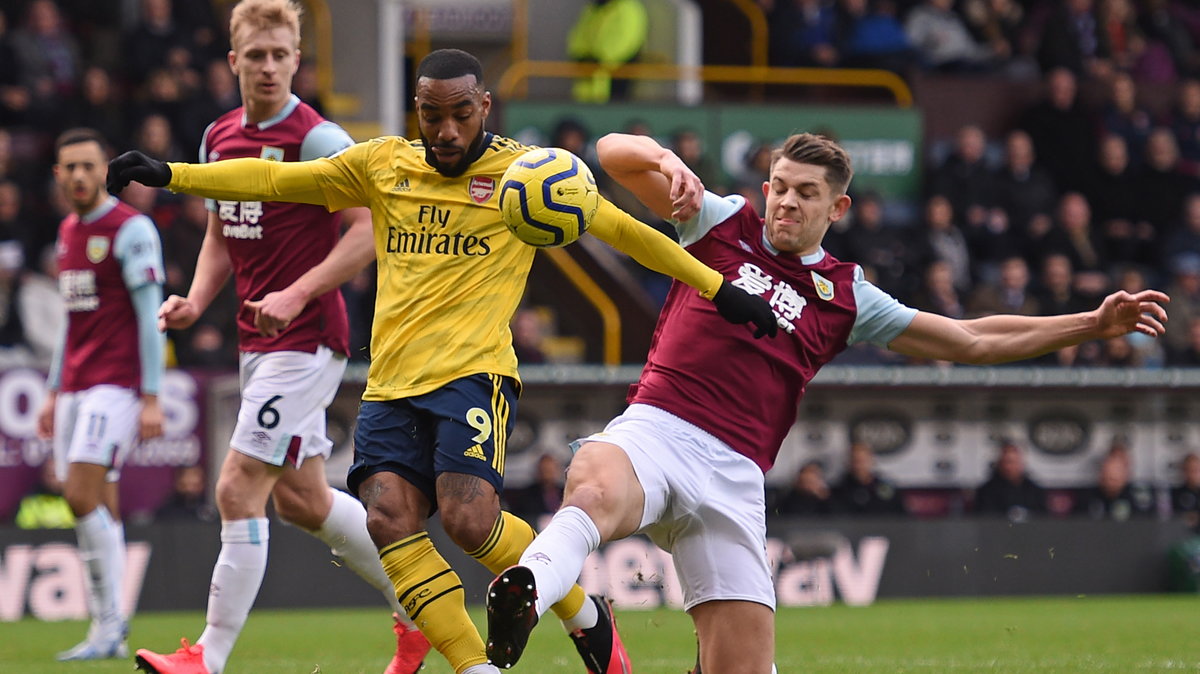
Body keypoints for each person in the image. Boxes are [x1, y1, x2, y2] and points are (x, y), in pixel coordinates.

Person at [107, 47, 776, 674]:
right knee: (386, 517)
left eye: (461, 115)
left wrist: (719, 289)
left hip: (472, 374)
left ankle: (574, 599)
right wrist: (173, 176)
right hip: (391, 381)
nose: (447, 131)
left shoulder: (528, 175)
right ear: (416, 112)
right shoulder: (382, 164)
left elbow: (625, 231)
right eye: (432, 116)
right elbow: (278, 178)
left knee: (468, 521)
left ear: (484, 106)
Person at [482, 131, 1170, 674]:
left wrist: (1088, 324)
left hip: (735, 476)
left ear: (835, 208)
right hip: (659, 427)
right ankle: (529, 590)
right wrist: (664, 158)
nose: (785, 201)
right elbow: (606, 156)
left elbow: (969, 339)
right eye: (779, 187)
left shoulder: (848, 296)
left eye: (805, 193)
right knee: (594, 487)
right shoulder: (721, 222)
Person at [126, 3, 431, 674]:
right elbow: (219, 227)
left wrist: (299, 291)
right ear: (233, 60)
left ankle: (205, 657)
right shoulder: (218, 136)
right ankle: (422, 615)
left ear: (297, 60)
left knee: (237, 487)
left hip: (308, 335)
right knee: (304, 500)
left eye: (280, 54)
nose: (268, 66)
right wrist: (196, 300)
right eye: (256, 54)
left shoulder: (318, 140)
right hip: (255, 340)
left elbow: (367, 232)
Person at [35, 127, 166, 661]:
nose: (81, 176)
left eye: (90, 166)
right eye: (71, 167)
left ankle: (108, 623)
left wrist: (152, 396)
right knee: (97, 501)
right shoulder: (67, 230)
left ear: (105, 169)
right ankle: (112, 628)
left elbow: (148, 315)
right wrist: (50, 390)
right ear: (58, 175)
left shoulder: (131, 229)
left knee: (79, 494)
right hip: (74, 387)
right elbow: (73, 319)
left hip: (115, 386)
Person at [972, 439, 1047, 521]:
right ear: (999, 462)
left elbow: (1043, 519)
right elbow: (984, 519)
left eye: (1013, 462)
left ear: (1022, 462)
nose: (1009, 466)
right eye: (1006, 461)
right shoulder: (986, 491)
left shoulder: (1035, 491)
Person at [830, 442, 906, 516]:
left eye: (863, 461)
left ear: (871, 461)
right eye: (855, 461)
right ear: (848, 463)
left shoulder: (885, 487)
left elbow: (901, 516)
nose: (859, 465)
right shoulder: (839, 489)